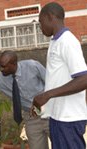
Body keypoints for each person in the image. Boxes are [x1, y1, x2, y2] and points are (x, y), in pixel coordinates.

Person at [32, 2, 87, 149]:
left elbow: (83, 79)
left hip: (69, 118)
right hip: (57, 116)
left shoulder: (68, 41)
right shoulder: (55, 41)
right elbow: (58, 78)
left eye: (41, 22)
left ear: (50, 17)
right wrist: (43, 101)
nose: (40, 27)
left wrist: (47, 95)